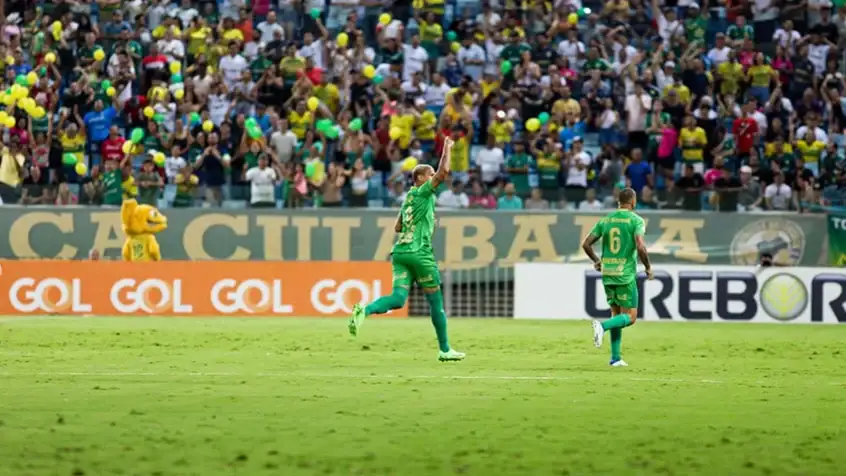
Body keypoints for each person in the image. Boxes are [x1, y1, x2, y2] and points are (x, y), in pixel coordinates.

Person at [348, 137, 465, 362]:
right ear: (420, 178)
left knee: (398, 298)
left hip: (400, 252)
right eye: (429, 175)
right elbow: (444, 172)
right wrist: (447, 149)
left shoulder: (408, 198)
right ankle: (445, 349)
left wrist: (426, 220)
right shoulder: (422, 192)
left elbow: (398, 226)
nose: (433, 178)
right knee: (436, 303)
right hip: (420, 253)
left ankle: (365, 310)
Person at [580, 188, 654, 367]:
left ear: (618, 202)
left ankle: (615, 358)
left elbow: (586, 243)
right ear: (633, 202)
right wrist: (648, 267)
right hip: (625, 275)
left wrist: (597, 261)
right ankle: (602, 327)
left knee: (616, 315)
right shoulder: (636, 220)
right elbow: (641, 246)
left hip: (608, 273)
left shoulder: (606, 220)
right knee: (631, 316)